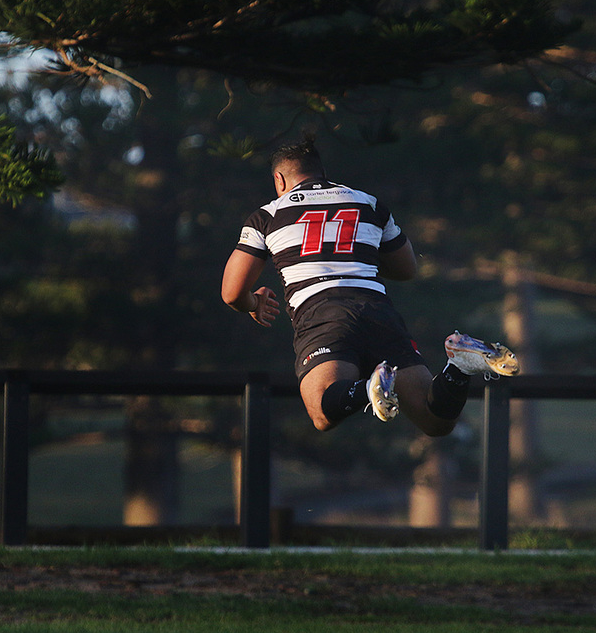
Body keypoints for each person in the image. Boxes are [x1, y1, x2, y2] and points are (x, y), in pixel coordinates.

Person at [222, 139, 519, 436]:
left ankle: (367, 389)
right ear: (321, 172)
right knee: (435, 420)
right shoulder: (368, 203)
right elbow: (406, 269)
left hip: (321, 313)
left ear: (280, 179)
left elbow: (232, 292)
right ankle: (459, 369)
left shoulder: (268, 216)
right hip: (377, 310)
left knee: (322, 412)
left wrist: (253, 303)